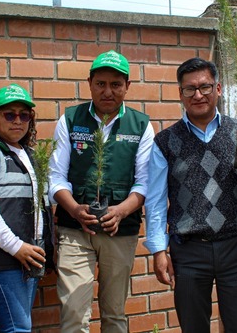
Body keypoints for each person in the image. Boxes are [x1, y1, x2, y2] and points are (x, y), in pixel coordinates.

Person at [144, 57, 237, 333]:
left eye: (205, 87)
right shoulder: (165, 142)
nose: (198, 95)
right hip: (188, 250)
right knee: (193, 327)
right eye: (190, 89)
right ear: (181, 94)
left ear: (218, 89)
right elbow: (154, 201)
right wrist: (158, 250)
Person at [48, 50, 154, 332]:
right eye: (101, 84)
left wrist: (121, 211)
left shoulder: (141, 125)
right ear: (90, 83)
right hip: (75, 228)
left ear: (127, 86)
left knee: (114, 313)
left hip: (121, 230)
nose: (108, 91)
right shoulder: (70, 120)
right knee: (73, 311)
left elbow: (144, 182)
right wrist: (73, 209)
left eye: (116, 84)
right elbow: (56, 177)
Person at [0, 83, 54, 333]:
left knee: (19, 325)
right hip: (3, 257)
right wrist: (17, 247)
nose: (18, 121)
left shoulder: (30, 154)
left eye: (24, 115)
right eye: (9, 114)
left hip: (28, 256)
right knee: (18, 327)